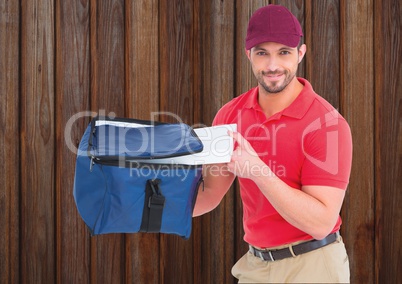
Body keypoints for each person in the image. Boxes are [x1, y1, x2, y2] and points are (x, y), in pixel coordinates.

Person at [193, 4, 352, 283]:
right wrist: (145, 201)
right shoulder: (230, 115)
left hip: (314, 266)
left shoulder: (327, 125)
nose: (273, 66)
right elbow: (207, 195)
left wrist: (256, 169)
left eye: (284, 53)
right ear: (249, 55)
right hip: (256, 265)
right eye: (262, 53)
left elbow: (321, 223)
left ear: (300, 54)